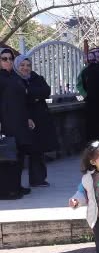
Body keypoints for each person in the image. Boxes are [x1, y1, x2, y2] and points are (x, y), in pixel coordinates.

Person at [15, 57, 58, 187]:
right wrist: (35, 96)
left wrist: (29, 92)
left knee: (38, 150)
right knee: (22, 151)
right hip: (24, 119)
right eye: (22, 65)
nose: (25, 68)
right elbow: (20, 98)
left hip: (39, 119)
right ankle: (15, 184)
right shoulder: (15, 79)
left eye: (28, 65)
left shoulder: (36, 77)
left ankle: (38, 179)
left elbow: (46, 91)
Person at [0, 48, 33, 198]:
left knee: (19, 155)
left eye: (10, 58)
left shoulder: (15, 76)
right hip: (6, 122)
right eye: (4, 59)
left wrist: (28, 118)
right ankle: (9, 190)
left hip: (19, 122)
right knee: (9, 156)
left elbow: (22, 100)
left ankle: (17, 186)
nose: (8, 61)